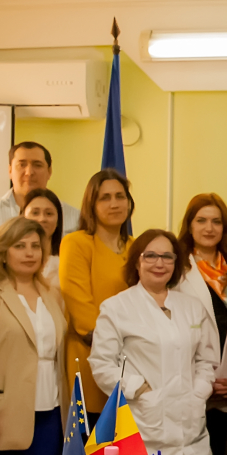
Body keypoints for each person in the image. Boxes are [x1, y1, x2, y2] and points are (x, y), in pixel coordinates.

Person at [90, 228, 220, 455]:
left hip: (193, 435)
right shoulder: (117, 307)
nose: (159, 263)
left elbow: (206, 359)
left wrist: (199, 391)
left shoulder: (192, 307)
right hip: (143, 430)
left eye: (167, 257)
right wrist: (139, 389)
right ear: (136, 262)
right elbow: (102, 364)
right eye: (150, 256)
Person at [0, 216, 68, 455]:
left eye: (35, 246)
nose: (29, 253)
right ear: (3, 252)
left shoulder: (51, 294)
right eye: (19, 246)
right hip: (5, 412)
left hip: (52, 409)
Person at [60, 169, 135, 411]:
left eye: (120, 196)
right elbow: (80, 309)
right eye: (105, 198)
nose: (114, 204)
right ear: (91, 205)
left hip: (134, 361)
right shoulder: (77, 243)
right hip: (92, 357)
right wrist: (114, 350)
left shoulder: (137, 247)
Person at [177, 192, 227, 455]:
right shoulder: (177, 271)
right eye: (201, 220)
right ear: (189, 226)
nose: (209, 228)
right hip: (192, 386)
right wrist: (203, 380)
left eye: (216, 221)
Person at [0, 141, 65, 276]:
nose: (29, 172)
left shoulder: (74, 217)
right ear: (9, 170)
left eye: (37, 165)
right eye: (22, 165)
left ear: (49, 172)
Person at [20, 189, 64, 289]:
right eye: (35, 213)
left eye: (49, 214)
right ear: (22, 217)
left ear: (58, 220)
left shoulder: (65, 261)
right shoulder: (11, 258)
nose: (42, 219)